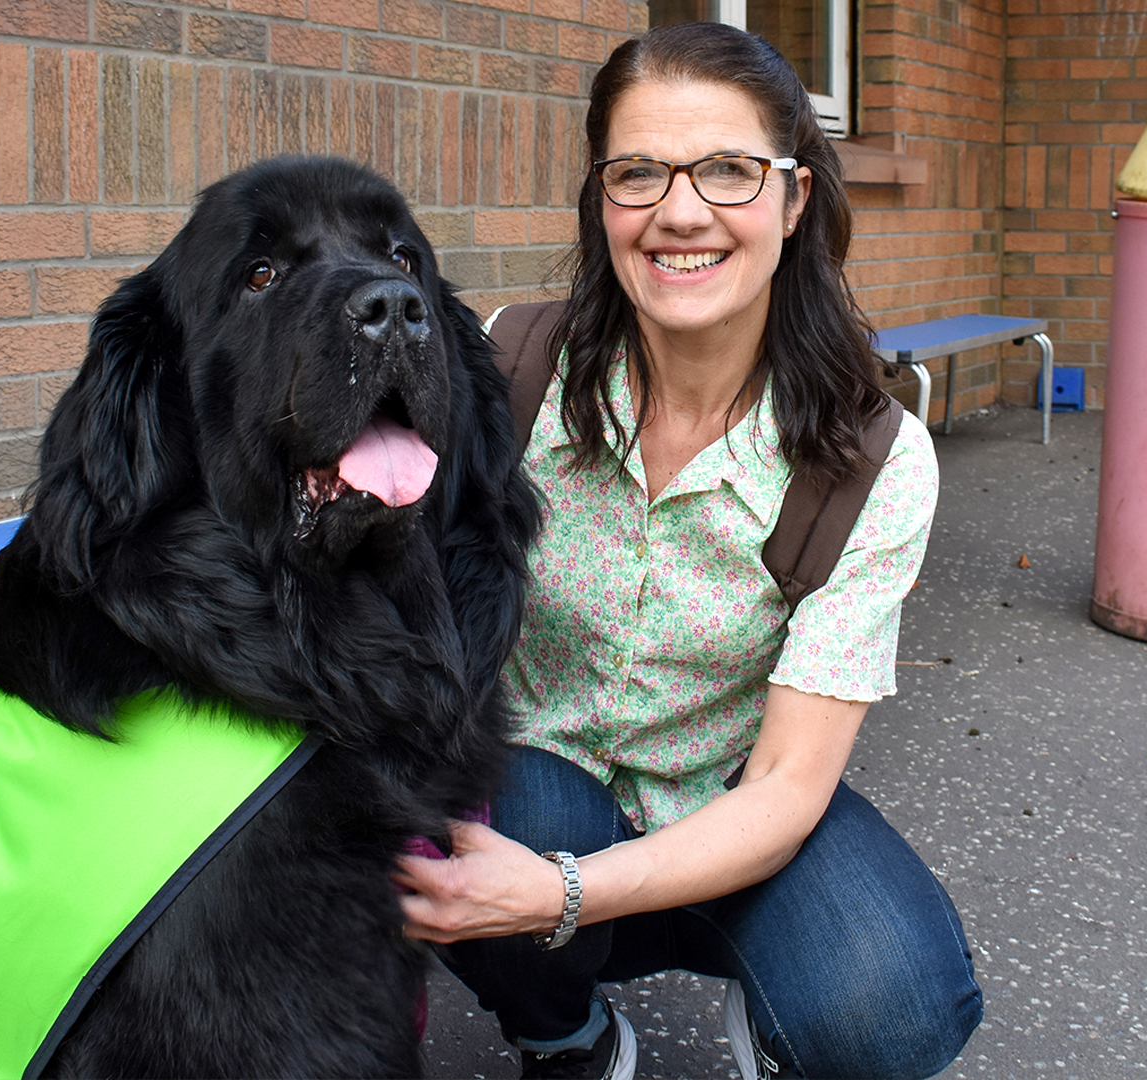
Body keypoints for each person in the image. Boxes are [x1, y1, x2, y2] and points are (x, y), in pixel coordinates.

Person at [393, 22, 982, 1080]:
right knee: (498, 810)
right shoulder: (515, 367)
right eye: (639, 173)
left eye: (728, 170)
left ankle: (766, 1005)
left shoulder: (871, 458)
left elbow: (790, 788)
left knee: (893, 1016)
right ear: (600, 198)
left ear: (795, 199)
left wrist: (564, 894)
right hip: (539, 779)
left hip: (733, 800)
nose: (679, 211)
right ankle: (564, 1034)